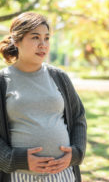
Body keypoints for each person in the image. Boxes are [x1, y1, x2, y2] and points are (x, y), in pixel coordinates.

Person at [0, 12, 87, 182]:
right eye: (35, 38)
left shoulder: (59, 77)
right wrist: (16, 159)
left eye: (46, 38)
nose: (43, 45)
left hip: (63, 175)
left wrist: (75, 153)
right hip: (20, 175)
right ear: (16, 41)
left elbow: (78, 118)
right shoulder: (2, 82)